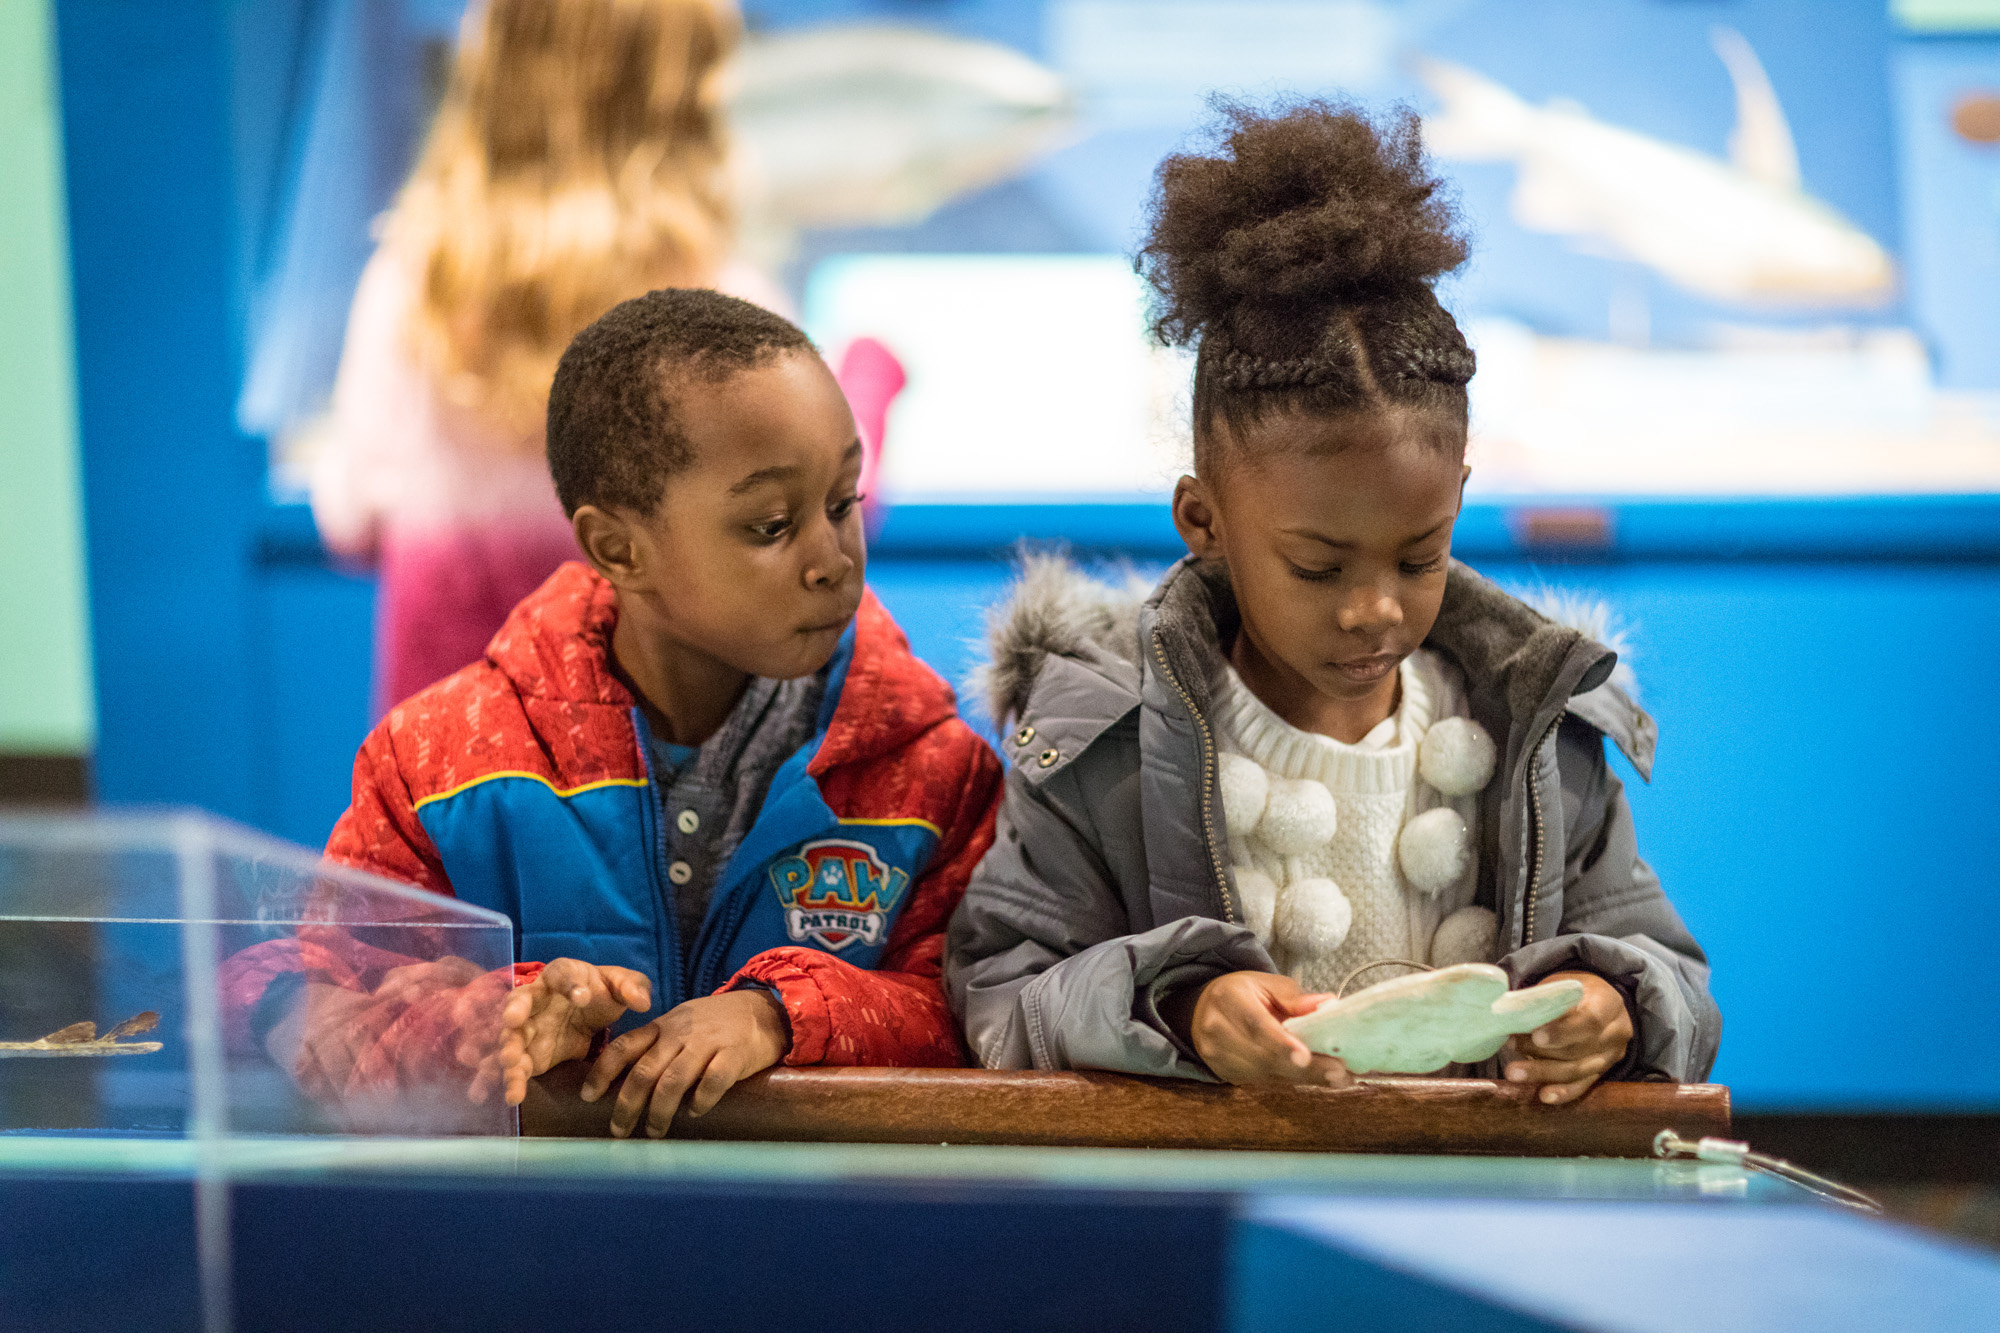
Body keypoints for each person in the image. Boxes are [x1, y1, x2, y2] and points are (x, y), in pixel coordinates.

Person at [946, 102, 1717, 1103]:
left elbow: (1674, 982)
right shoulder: (1100, 747)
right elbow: (996, 999)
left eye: (1418, 556)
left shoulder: (1539, 731)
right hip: (1215, 1226)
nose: (1373, 610)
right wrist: (1175, 1007)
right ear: (1202, 517)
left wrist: (1611, 1002)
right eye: (1317, 567)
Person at [304, 288, 1000, 1136]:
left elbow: (975, 1008)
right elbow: (329, 1000)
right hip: (535, 1244)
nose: (831, 559)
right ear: (617, 548)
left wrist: (778, 1015)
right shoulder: (435, 764)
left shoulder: (936, 770)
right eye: (772, 523)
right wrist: (508, 1014)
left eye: (843, 502)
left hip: (824, 1249)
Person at [309, 0, 788, 714]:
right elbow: (802, 515)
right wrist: (872, 378)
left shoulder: (413, 288)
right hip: (654, 783)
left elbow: (350, 519)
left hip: (450, 773)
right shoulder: (727, 308)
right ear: (689, 94)